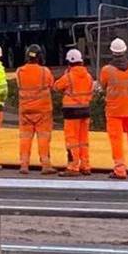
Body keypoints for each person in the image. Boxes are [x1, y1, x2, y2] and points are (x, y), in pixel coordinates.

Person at [99, 37, 128, 179]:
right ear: (125, 50)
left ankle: (119, 168)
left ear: (112, 52)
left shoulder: (107, 70)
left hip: (114, 111)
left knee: (116, 139)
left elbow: (103, 86)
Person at [54, 48, 94, 176]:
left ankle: (73, 166)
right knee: (83, 140)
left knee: (72, 141)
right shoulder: (88, 76)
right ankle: (85, 165)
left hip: (71, 112)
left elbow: (56, 86)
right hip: (85, 111)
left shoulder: (68, 76)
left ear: (69, 62)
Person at [16, 43, 55, 174]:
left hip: (25, 112)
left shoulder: (19, 72)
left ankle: (24, 165)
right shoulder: (45, 72)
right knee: (43, 138)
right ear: (40, 57)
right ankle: (45, 165)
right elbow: (51, 85)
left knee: (25, 139)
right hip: (43, 112)